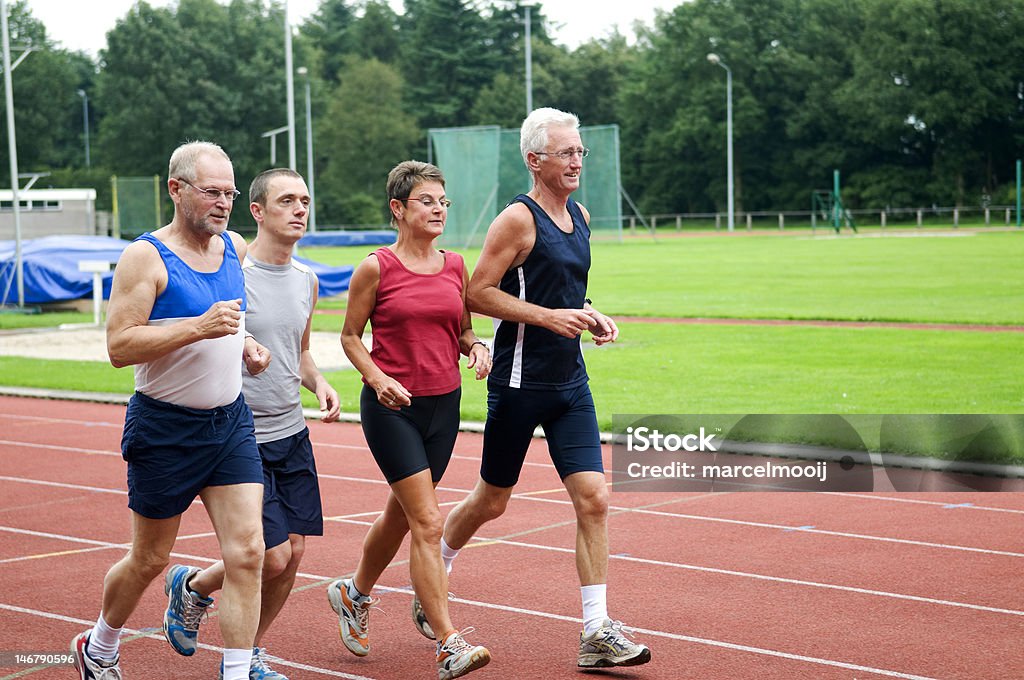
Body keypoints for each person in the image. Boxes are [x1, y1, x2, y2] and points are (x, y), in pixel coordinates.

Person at [425, 108, 652, 669]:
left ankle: (596, 631)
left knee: (595, 499)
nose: (577, 160)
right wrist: (548, 317)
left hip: (570, 383)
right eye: (566, 152)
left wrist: (595, 316)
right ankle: (438, 566)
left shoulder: (583, 215)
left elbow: (571, 291)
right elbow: (475, 294)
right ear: (535, 160)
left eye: (580, 151)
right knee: (492, 500)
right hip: (519, 383)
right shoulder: (516, 221)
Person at [71, 140, 273, 680]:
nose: (224, 202)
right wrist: (200, 328)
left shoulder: (234, 247)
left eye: (230, 192)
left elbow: (231, 318)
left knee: (248, 551)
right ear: (176, 189)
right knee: (149, 560)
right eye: (212, 191)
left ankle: (235, 671)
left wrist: (246, 345)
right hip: (165, 428)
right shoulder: (145, 256)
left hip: (229, 423)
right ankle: (100, 644)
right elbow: (120, 346)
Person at [159, 168, 341, 680]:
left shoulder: (307, 278)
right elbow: (206, 332)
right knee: (273, 555)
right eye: (287, 201)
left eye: (305, 200)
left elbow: (300, 353)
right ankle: (200, 599)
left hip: (291, 432)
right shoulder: (233, 269)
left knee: (295, 552)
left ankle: (237, 637)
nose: (300, 209)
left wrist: (319, 384)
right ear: (257, 211)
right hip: (243, 434)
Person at [326, 160, 491, 680]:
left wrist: (477, 346)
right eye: (427, 200)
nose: (439, 208)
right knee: (428, 521)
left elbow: (461, 330)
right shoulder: (376, 267)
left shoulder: (456, 265)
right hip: (391, 407)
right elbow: (351, 337)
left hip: (444, 408)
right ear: (398, 208)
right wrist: (377, 380)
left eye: (443, 201)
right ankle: (449, 642)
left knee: (401, 514)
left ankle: (353, 594)